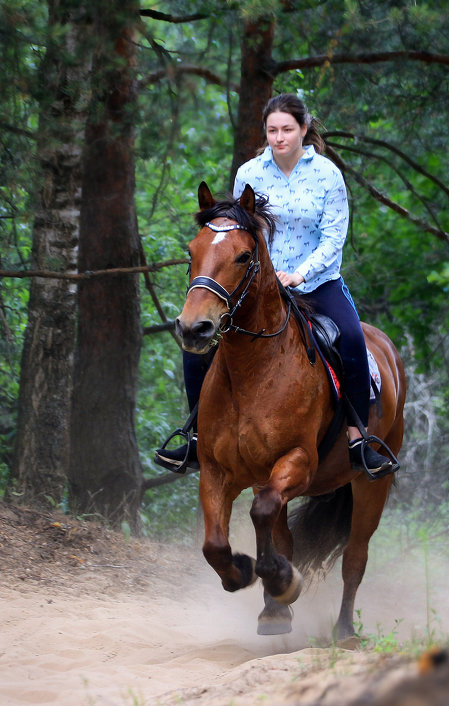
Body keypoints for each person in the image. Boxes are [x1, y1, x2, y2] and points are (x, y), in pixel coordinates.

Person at [155, 93, 398, 479]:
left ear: (304, 129)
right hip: (256, 286)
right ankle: (197, 439)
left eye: (287, 129)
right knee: (196, 342)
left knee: (351, 338)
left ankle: (358, 440)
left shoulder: (327, 175)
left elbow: (334, 239)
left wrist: (300, 273)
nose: (279, 137)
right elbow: (238, 235)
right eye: (272, 130)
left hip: (316, 283)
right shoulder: (249, 173)